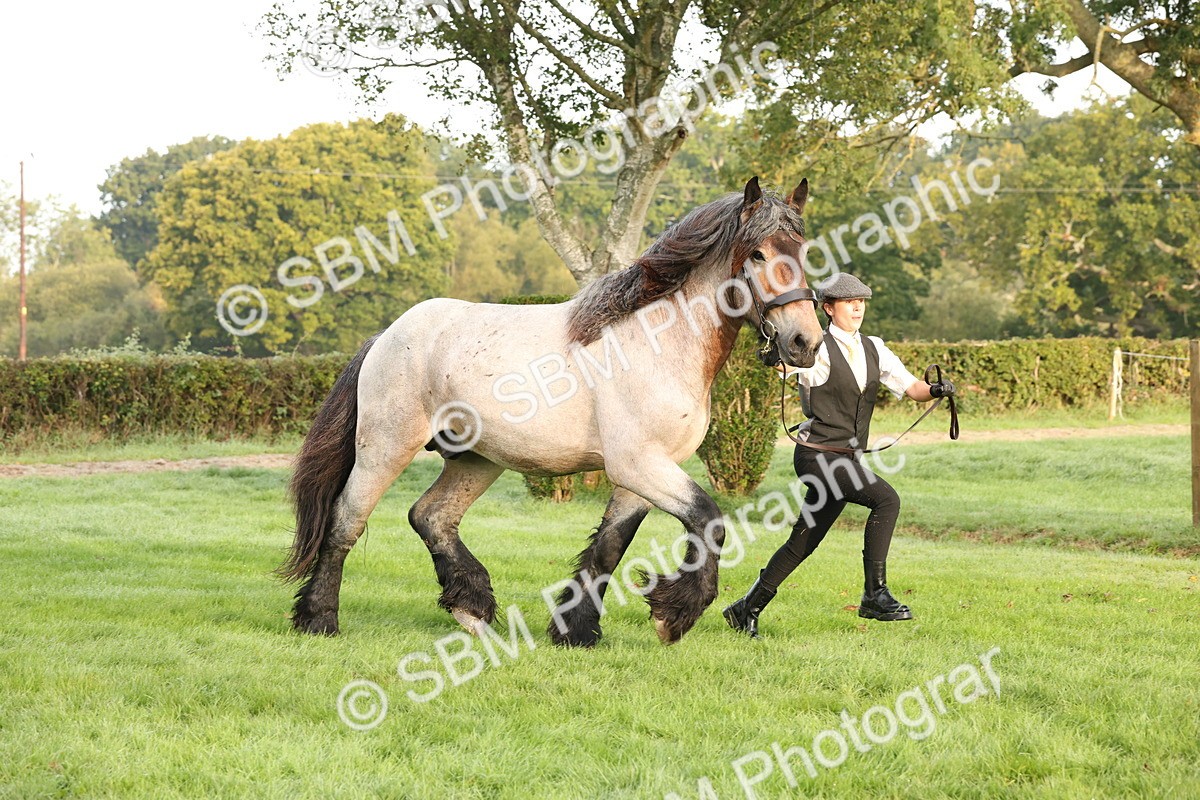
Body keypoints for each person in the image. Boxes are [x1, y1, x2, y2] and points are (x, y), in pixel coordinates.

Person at [724, 272, 955, 638]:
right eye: (849, 302)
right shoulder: (817, 348)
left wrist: (937, 389)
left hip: (846, 460)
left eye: (861, 301)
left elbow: (912, 387)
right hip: (817, 457)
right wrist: (775, 359)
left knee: (803, 542)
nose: (858, 307)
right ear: (829, 309)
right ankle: (874, 595)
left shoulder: (875, 347)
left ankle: (745, 608)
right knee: (886, 500)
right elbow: (789, 366)